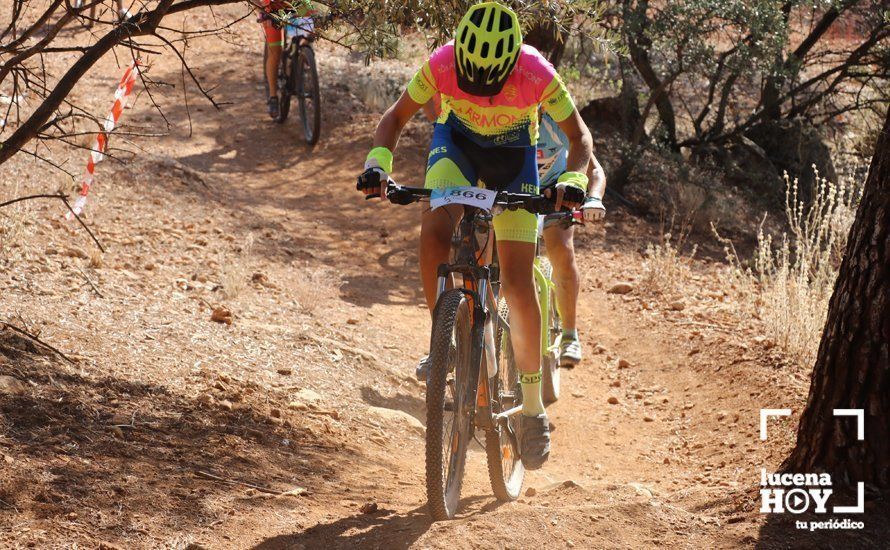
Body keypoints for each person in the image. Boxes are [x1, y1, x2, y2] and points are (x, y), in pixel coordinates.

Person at [357, 2, 593, 470]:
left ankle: (531, 408)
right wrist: (377, 164)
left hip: (514, 159)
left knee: (520, 280)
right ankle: (442, 340)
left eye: (491, 81)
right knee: (433, 233)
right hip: (457, 146)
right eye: (471, 79)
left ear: (510, 65)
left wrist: (575, 180)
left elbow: (579, 137)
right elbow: (395, 118)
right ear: (459, 58)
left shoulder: (535, 70)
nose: (480, 89)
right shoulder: (442, 62)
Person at [537, 111, 607, 367]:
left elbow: (596, 171)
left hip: (556, 194)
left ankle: (569, 334)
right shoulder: (508, 116)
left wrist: (594, 199)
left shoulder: (556, 122)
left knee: (562, 252)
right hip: (516, 193)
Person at [257, 0, 316, 119]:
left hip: (297, 4)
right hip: (271, 8)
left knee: (309, 36)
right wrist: (260, 8)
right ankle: (273, 97)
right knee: (275, 51)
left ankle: (302, 61)